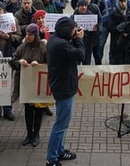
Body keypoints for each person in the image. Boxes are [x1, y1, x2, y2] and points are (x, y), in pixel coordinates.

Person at [45, 18, 85, 166]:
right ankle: (51, 158)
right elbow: (80, 55)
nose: (76, 31)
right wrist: (79, 40)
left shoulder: (55, 39)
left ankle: (59, 151)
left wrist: (73, 38)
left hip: (62, 84)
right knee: (60, 125)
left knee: (63, 123)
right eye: (74, 29)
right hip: (63, 87)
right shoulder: (61, 44)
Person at [11, 24, 47, 147]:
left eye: (31, 35)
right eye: (27, 34)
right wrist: (19, 62)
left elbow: (49, 62)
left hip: (38, 84)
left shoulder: (42, 47)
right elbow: (13, 60)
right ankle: (29, 134)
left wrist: (40, 64)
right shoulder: (22, 47)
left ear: (36, 35)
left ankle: (36, 133)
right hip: (26, 83)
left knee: (38, 110)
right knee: (28, 109)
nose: (28, 37)